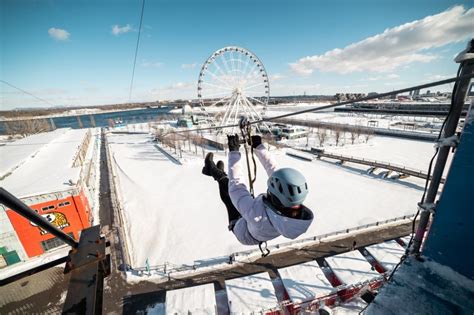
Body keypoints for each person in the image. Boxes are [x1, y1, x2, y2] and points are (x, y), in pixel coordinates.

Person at [202, 134, 314, 246]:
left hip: (242, 229)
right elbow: (275, 172)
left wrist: (234, 153)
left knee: (229, 195)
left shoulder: (256, 214)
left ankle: (212, 170)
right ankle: (217, 173)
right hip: (259, 228)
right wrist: (259, 147)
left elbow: (236, 187)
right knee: (230, 189)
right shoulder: (294, 210)